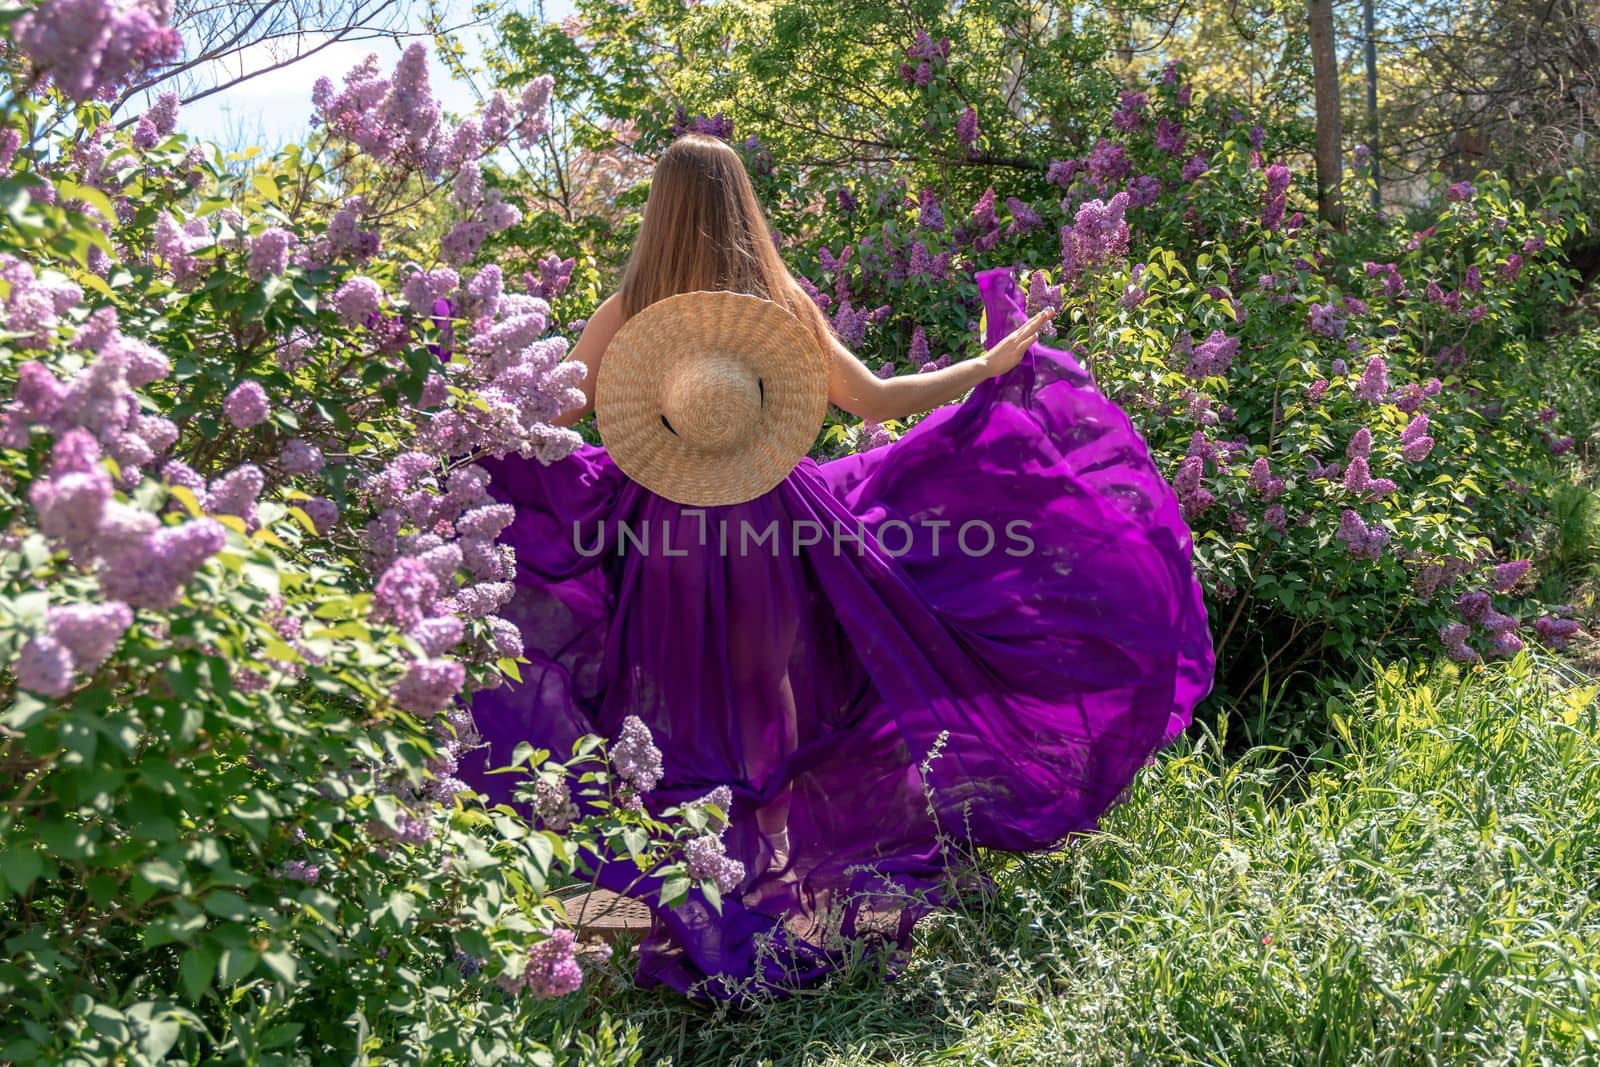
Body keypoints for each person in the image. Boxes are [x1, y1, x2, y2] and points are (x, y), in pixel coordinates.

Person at [458, 132, 1215, 1002]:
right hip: (772, 526)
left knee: (657, 695)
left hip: (656, 528)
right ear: (740, 203)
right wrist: (984, 368)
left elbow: (547, 410)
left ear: (660, 209)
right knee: (767, 691)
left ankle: (681, 878)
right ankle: (774, 869)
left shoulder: (631, 304)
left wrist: (457, 410)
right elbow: (879, 400)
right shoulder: (779, 301)